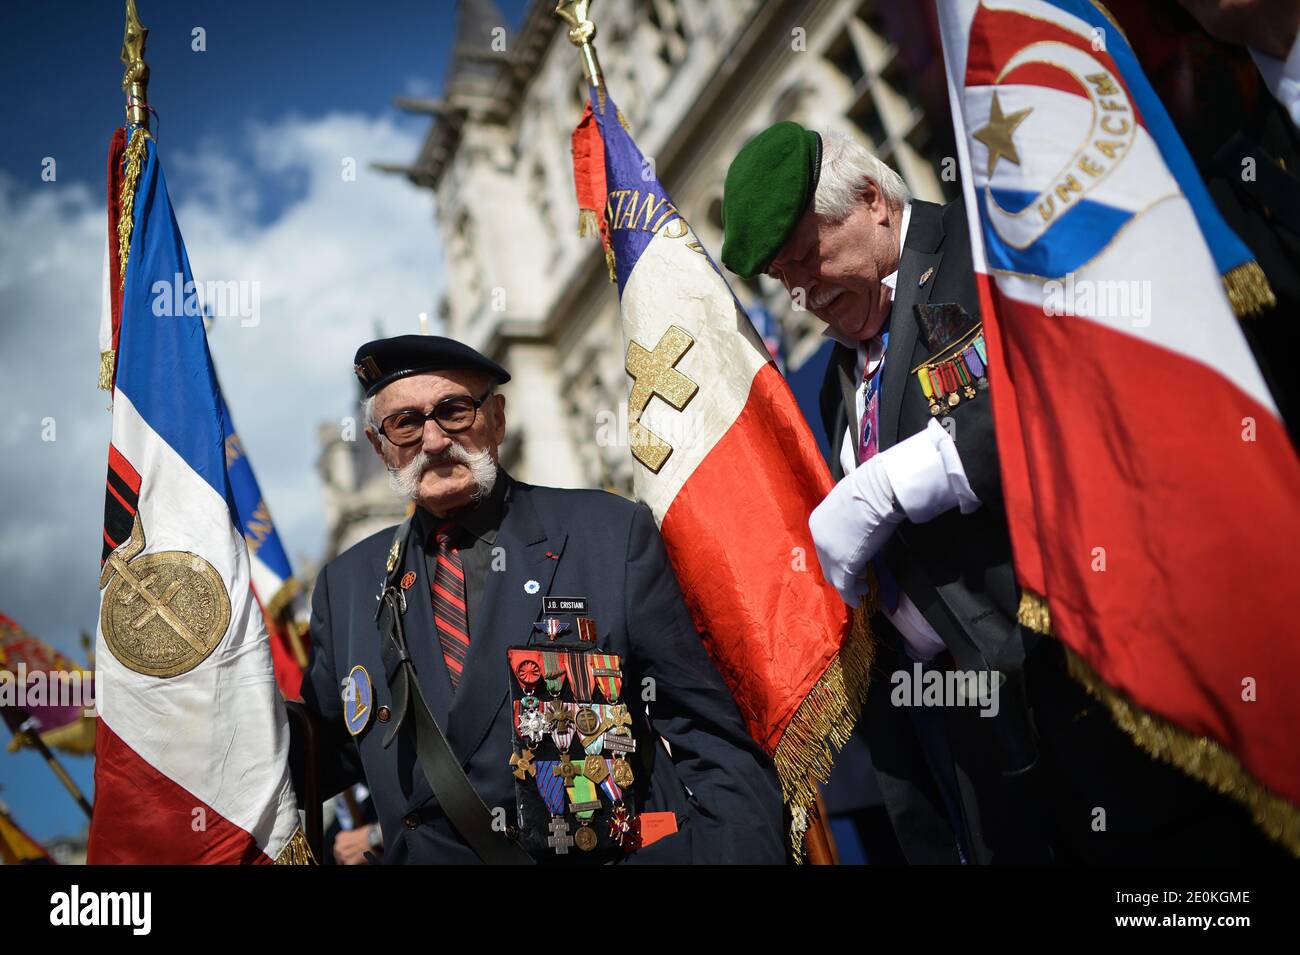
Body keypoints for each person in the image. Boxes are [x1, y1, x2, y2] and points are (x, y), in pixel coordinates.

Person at [719, 122, 1288, 864]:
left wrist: (909, 474)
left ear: (870, 201)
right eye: (782, 281)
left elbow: (1070, 381)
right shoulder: (834, 380)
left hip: (1085, 676)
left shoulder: (985, 249)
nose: (803, 295)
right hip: (982, 735)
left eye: (806, 258)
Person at [291, 334, 785, 864]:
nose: (433, 441)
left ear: (496, 419)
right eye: (405, 423)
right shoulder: (348, 584)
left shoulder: (606, 535)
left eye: (454, 411)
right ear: (379, 445)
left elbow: (709, 741)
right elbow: (323, 754)